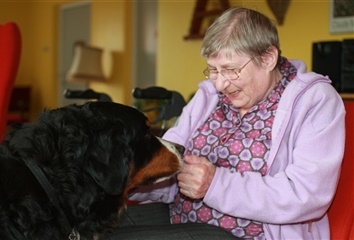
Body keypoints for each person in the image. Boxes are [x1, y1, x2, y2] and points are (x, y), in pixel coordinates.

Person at [107, 7, 345, 240]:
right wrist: (131, 175)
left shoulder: (315, 101)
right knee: (92, 228)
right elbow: (171, 158)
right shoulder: (209, 95)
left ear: (268, 58)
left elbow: (306, 195)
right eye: (213, 70)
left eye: (231, 70)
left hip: (251, 233)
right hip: (180, 216)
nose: (220, 84)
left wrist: (215, 184)